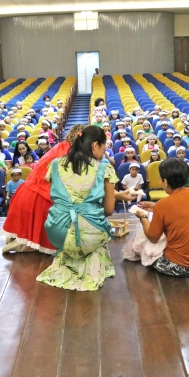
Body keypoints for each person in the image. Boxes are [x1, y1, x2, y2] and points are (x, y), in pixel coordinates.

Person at [36, 125, 128, 291]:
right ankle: (89, 258)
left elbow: (58, 197)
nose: (104, 151)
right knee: (99, 232)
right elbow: (108, 210)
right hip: (89, 237)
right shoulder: (104, 168)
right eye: (104, 146)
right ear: (95, 145)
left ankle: (69, 254)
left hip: (56, 232)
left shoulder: (55, 164)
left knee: (73, 232)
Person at [129, 158, 189, 277]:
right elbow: (181, 209)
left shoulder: (163, 205)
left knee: (149, 246)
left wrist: (143, 216)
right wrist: (156, 207)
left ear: (165, 181)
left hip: (180, 266)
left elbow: (153, 237)